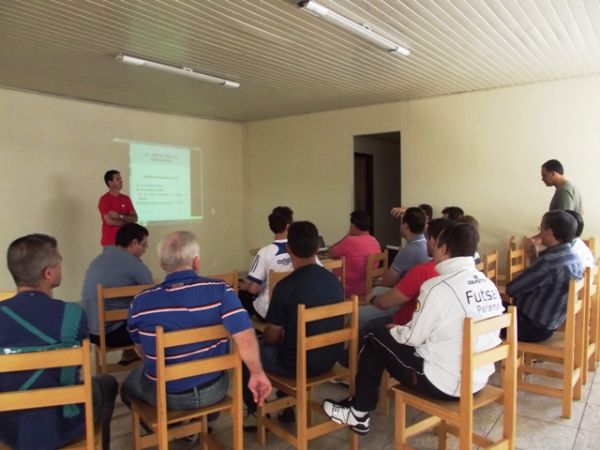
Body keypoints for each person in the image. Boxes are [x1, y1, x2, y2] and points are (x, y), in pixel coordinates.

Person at [323, 223, 503, 435]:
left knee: (374, 335)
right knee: (385, 335)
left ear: (444, 249)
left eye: (436, 244)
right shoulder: (487, 284)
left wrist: (396, 330)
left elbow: (412, 339)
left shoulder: (438, 287)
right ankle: (358, 406)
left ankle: (359, 411)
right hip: (477, 379)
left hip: (442, 383)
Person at [121, 231, 271, 415]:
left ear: (162, 264)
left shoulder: (140, 302)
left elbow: (140, 349)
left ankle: (171, 433)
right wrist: (257, 373)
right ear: (196, 262)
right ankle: (203, 418)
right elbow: (245, 336)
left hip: (165, 395)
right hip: (213, 390)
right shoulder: (221, 291)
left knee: (127, 386)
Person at [0, 234, 117, 450]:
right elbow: (79, 368)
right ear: (48, 273)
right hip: (62, 424)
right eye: (60, 260)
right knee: (107, 383)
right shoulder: (72, 314)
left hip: (9, 429)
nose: (61, 265)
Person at [242, 221, 344, 420]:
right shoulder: (333, 281)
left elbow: (271, 337)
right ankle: (287, 405)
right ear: (317, 248)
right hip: (330, 359)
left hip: (297, 365)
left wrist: (276, 337)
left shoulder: (285, 286)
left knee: (249, 350)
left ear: (288, 249)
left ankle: (254, 410)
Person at [81, 223, 153, 364]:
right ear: (134, 243)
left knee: (127, 308)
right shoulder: (133, 263)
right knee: (155, 320)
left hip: (91, 330)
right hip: (112, 334)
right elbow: (151, 292)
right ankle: (157, 367)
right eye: (144, 245)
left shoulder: (99, 258)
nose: (145, 249)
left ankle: (129, 354)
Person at [506, 210, 584, 342]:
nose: (540, 232)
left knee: (485, 313)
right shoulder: (574, 256)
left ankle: (494, 358)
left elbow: (512, 289)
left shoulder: (548, 262)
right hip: (550, 325)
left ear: (550, 232)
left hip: (530, 327)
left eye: (541, 228)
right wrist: (533, 257)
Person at [366, 218, 453, 327]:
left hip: (405, 325)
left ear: (433, 241)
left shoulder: (422, 270)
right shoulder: (458, 271)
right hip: (434, 325)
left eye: (427, 238)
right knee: (377, 291)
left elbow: (385, 300)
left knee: (360, 320)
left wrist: (373, 299)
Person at [239, 206, 294, 320]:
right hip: (292, 308)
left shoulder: (264, 252)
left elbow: (254, 289)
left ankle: (247, 332)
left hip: (270, 311)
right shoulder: (300, 249)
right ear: (289, 226)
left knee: (243, 294)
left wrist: (244, 286)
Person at [329, 210, 381, 296]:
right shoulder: (375, 241)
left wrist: (348, 235)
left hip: (346, 288)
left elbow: (331, 253)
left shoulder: (351, 241)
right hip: (364, 287)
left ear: (353, 225)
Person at [381, 207, 429, 287]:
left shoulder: (408, 251)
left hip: (410, 294)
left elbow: (387, 282)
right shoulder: (427, 244)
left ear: (405, 226)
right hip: (421, 290)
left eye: (401, 222)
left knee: (375, 291)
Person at [98, 169, 138, 246]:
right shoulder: (104, 199)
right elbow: (110, 222)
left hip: (127, 243)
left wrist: (120, 216)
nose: (121, 181)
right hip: (111, 242)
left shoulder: (126, 198)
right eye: (117, 179)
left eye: (121, 179)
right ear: (110, 182)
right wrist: (127, 221)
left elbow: (135, 218)